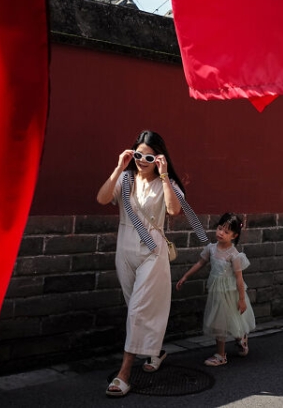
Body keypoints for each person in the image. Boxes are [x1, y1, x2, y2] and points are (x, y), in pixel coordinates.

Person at [96, 130, 206, 398]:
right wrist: (118, 167)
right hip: (125, 248)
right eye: (138, 154)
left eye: (148, 156)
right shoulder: (125, 178)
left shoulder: (165, 183)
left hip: (152, 250)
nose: (141, 160)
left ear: (158, 158)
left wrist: (165, 175)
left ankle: (124, 374)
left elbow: (173, 210)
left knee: (136, 311)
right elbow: (101, 198)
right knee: (134, 305)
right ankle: (155, 352)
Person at [176, 212, 256, 367]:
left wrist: (241, 299)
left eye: (226, 232)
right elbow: (200, 263)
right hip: (216, 292)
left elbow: (239, 279)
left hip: (231, 293)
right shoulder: (211, 249)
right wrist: (186, 276)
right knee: (220, 322)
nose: (221, 233)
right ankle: (228, 348)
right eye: (220, 228)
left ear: (234, 236)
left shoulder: (234, 255)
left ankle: (227, 350)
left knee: (233, 319)